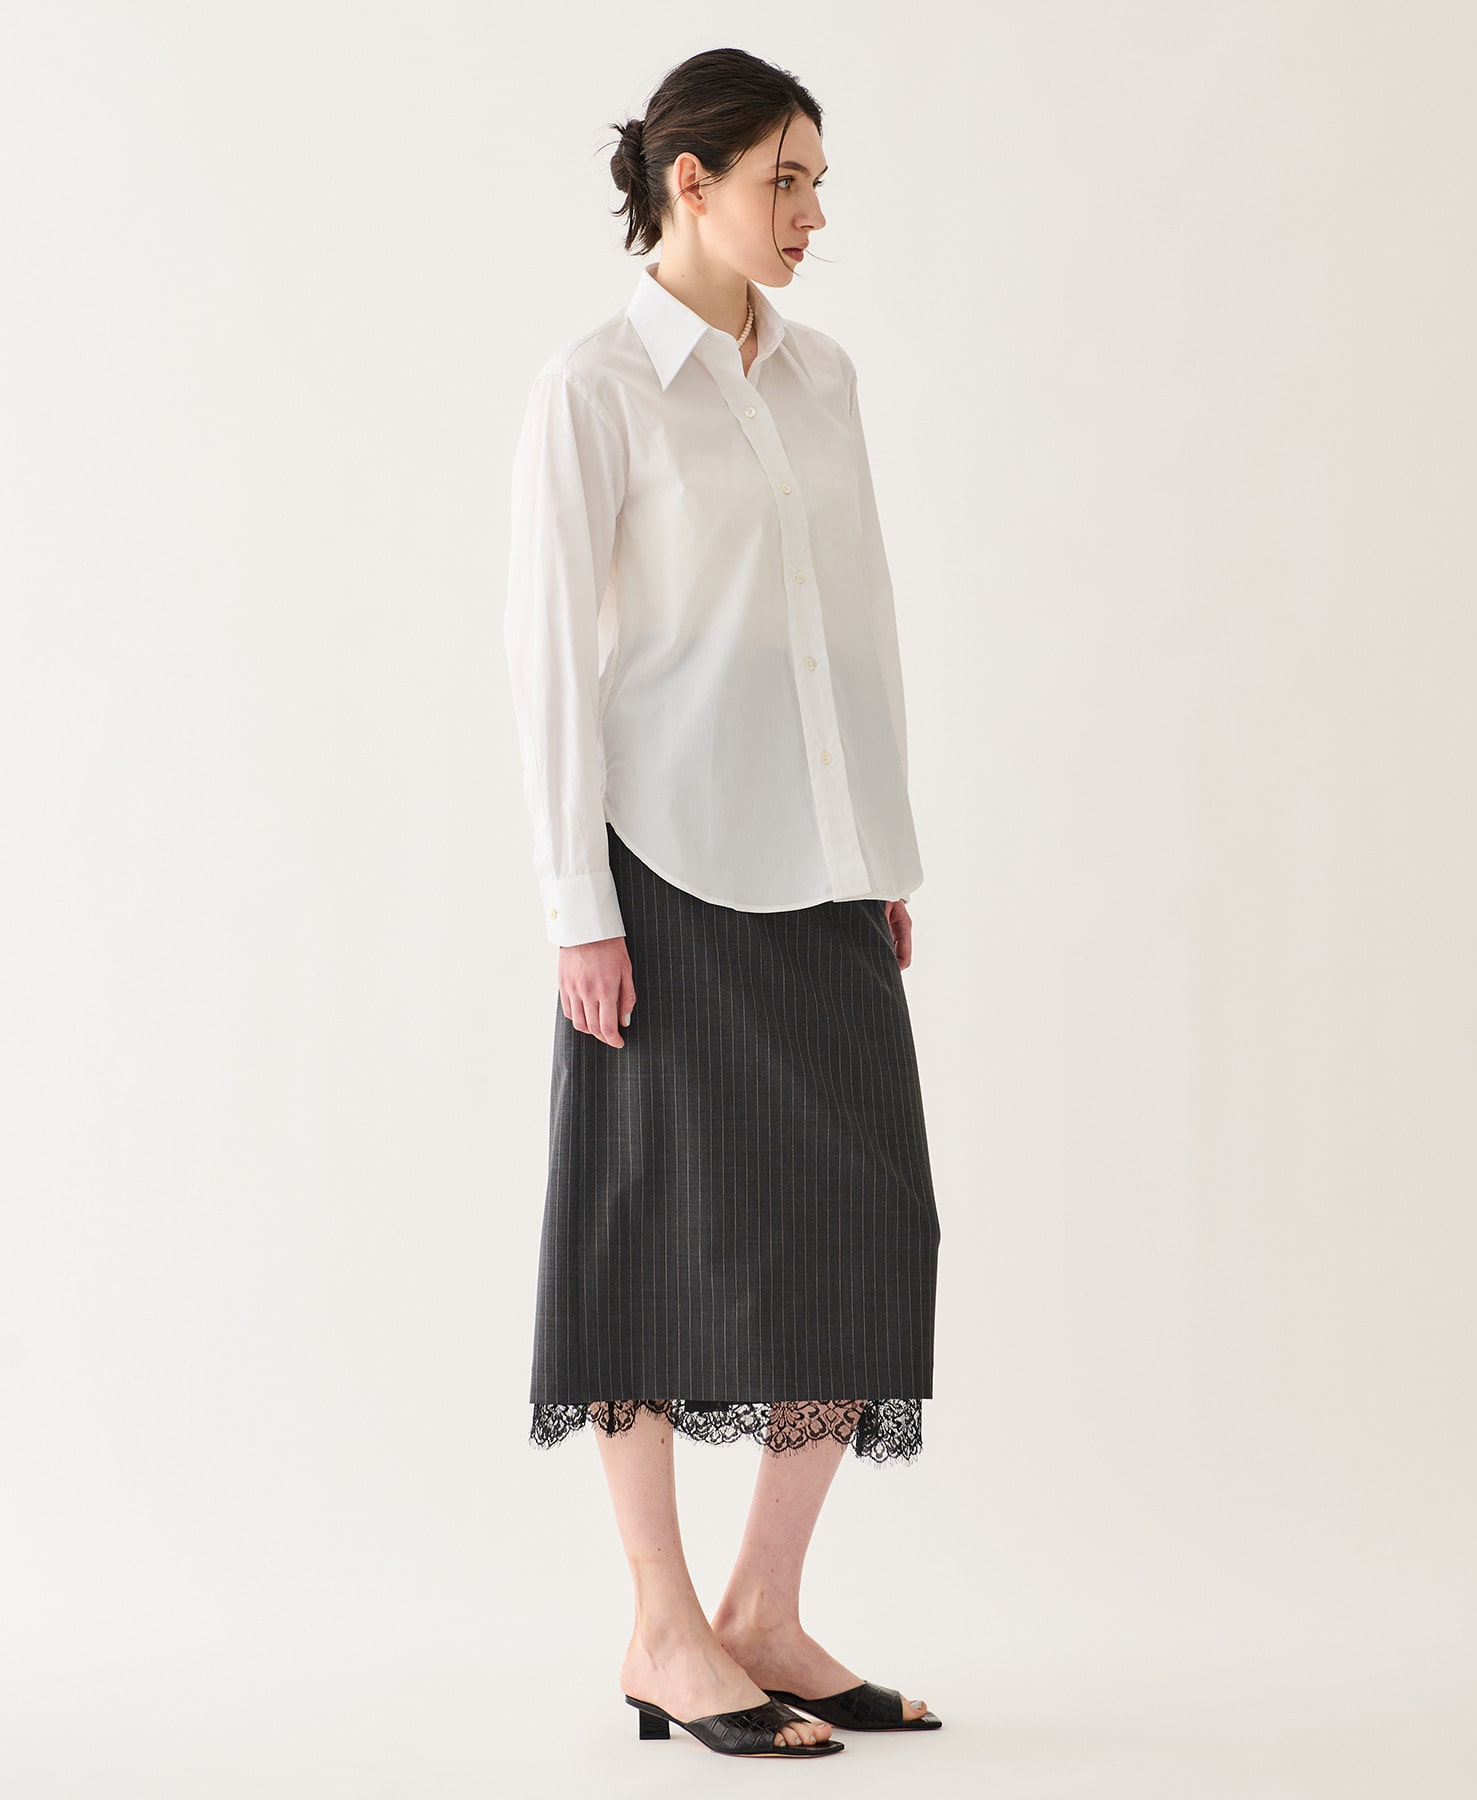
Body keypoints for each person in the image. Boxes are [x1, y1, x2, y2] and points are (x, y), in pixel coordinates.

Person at [504, 47, 943, 1761]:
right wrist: (577, 904)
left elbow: (856, 618)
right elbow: (553, 656)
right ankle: (663, 1628)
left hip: (822, 856)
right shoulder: (596, 388)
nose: (814, 212)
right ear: (689, 182)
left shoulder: (825, 376)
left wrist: (879, 848)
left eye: (820, 181)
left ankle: (764, 1611)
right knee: (647, 1234)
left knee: (868, 1226)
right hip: (661, 859)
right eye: (787, 181)